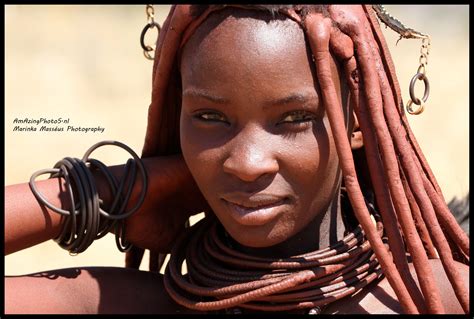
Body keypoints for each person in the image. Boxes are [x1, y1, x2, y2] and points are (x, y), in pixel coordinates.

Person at [4, 5, 469, 314]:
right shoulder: (125, 304)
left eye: (293, 118)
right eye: (209, 116)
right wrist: (119, 190)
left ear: (359, 122)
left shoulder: (437, 299)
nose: (246, 163)